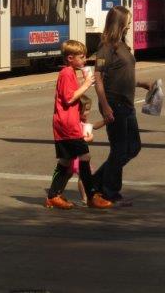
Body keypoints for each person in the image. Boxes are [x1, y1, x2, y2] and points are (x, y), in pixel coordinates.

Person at [91, 5, 154, 205]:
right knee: (119, 149)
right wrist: (105, 106)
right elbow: (98, 78)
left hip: (126, 104)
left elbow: (121, 76)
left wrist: (142, 83)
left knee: (133, 147)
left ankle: (96, 182)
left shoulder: (123, 45)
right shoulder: (105, 48)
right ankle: (109, 192)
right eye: (128, 20)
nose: (130, 24)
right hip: (114, 103)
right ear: (119, 22)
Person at [45, 39, 112, 209]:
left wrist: (83, 83)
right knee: (84, 157)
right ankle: (91, 196)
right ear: (70, 58)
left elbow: (72, 95)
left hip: (67, 123)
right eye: (81, 57)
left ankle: (54, 195)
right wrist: (87, 84)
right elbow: (69, 98)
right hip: (68, 125)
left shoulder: (70, 73)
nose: (85, 59)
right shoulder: (66, 73)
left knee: (66, 161)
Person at [72, 95, 107, 205]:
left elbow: (94, 126)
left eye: (89, 109)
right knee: (83, 175)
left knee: (83, 175)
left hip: (81, 154)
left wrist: (105, 120)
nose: (88, 112)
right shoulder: (76, 123)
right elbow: (77, 139)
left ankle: (86, 197)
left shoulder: (82, 122)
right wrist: (88, 139)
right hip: (77, 156)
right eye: (86, 110)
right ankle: (85, 198)